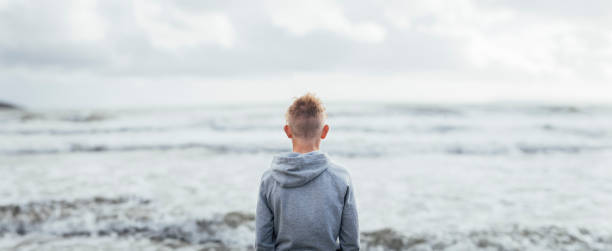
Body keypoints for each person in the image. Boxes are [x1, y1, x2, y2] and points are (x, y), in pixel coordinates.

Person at [255, 93, 360, 250]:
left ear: (288, 131)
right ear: (325, 131)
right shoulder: (341, 178)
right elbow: (350, 243)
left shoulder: (269, 179)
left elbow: (263, 244)